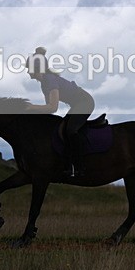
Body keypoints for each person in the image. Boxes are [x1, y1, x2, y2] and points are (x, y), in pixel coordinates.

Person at [26, 47, 95, 177]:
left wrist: (30, 107)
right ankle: (68, 165)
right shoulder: (44, 83)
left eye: (29, 69)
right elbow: (48, 109)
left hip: (85, 102)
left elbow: (52, 108)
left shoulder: (49, 80)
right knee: (62, 129)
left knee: (71, 130)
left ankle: (79, 167)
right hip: (77, 104)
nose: (28, 72)